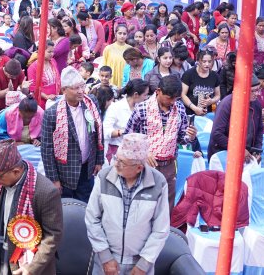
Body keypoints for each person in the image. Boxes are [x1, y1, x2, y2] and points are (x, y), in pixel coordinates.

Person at [85, 133, 170, 275]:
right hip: (106, 261)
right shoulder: (104, 177)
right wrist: (105, 256)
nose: (116, 164)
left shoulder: (158, 183)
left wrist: (144, 264)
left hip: (140, 264)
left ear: (139, 168)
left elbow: (161, 229)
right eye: (116, 158)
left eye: (122, 162)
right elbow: (92, 218)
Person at [0, 140, 63, 274]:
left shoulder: (46, 192)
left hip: (29, 263)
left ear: (16, 171)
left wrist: (31, 268)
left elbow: (52, 237)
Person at [124, 75, 198, 209]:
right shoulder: (142, 109)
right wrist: (143, 153)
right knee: (144, 204)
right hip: (144, 165)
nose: (172, 102)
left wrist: (190, 137)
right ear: (158, 91)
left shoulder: (179, 108)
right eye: (169, 98)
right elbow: (128, 137)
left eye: (176, 98)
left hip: (169, 165)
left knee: (166, 204)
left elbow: (181, 138)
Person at [41, 66, 104, 202]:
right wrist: (54, 179)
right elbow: (46, 149)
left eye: (82, 86)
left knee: (85, 204)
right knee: (66, 207)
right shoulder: (52, 113)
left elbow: (99, 132)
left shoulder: (91, 103)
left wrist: (99, 160)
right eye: (76, 88)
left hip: (87, 167)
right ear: (64, 90)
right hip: (65, 172)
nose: (81, 91)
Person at [208, 74, 263, 161]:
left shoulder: (256, 104)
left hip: (247, 153)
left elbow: (259, 130)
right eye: (253, 91)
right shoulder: (226, 104)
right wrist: (239, 150)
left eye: (258, 90)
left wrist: (257, 151)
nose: (257, 94)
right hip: (223, 153)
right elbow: (217, 133)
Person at [103, 79, 150, 163]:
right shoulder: (116, 107)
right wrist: (125, 131)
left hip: (136, 150)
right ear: (136, 94)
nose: (146, 98)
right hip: (118, 149)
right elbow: (106, 131)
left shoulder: (142, 108)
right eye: (145, 95)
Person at [181, 50, 220, 116]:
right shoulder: (189, 74)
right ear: (198, 61)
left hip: (207, 113)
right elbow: (183, 95)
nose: (207, 64)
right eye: (204, 61)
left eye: (209, 61)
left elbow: (218, 95)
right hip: (189, 113)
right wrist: (195, 108)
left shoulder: (215, 76)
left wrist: (211, 101)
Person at [27, 40, 60, 109]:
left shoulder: (53, 61)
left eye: (53, 51)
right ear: (41, 51)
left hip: (55, 98)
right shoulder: (33, 68)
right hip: (42, 101)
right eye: (49, 52)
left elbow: (58, 79)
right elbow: (33, 88)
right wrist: (46, 97)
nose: (52, 54)